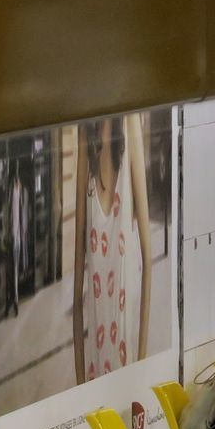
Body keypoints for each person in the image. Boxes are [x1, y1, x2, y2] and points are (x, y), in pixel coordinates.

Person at [73, 113, 153, 385]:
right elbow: (76, 288)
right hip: (96, 352)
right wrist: (79, 384)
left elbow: (148, 261)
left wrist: (141, 363)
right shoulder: (86, 135)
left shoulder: (130, 123)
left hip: (126, 348)